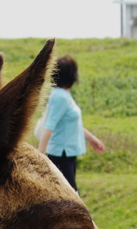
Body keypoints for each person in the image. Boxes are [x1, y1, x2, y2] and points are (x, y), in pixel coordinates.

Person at [37, 55, 105, 192]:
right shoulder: (60, 96)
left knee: (67, 194)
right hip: (61, 153)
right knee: (70, 194)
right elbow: (49, 126)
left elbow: (72, 123)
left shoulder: (63, 95)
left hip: (67, 153)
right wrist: (40, 155)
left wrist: (91, 139)